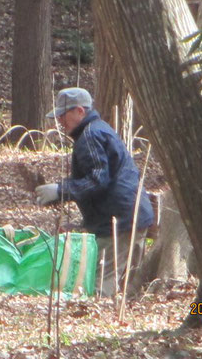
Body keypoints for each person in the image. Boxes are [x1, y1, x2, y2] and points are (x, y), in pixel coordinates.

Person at [35, 87, 154, 297]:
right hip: (132, 214)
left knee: (103, 282)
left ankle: (104, 323)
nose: (60, 121)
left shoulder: (89, 136)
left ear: (80, 111)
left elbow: (97, 180)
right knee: (128, 286)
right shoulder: (98, 129)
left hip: (118, 219)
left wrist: (61, 190)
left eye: (63, 115)